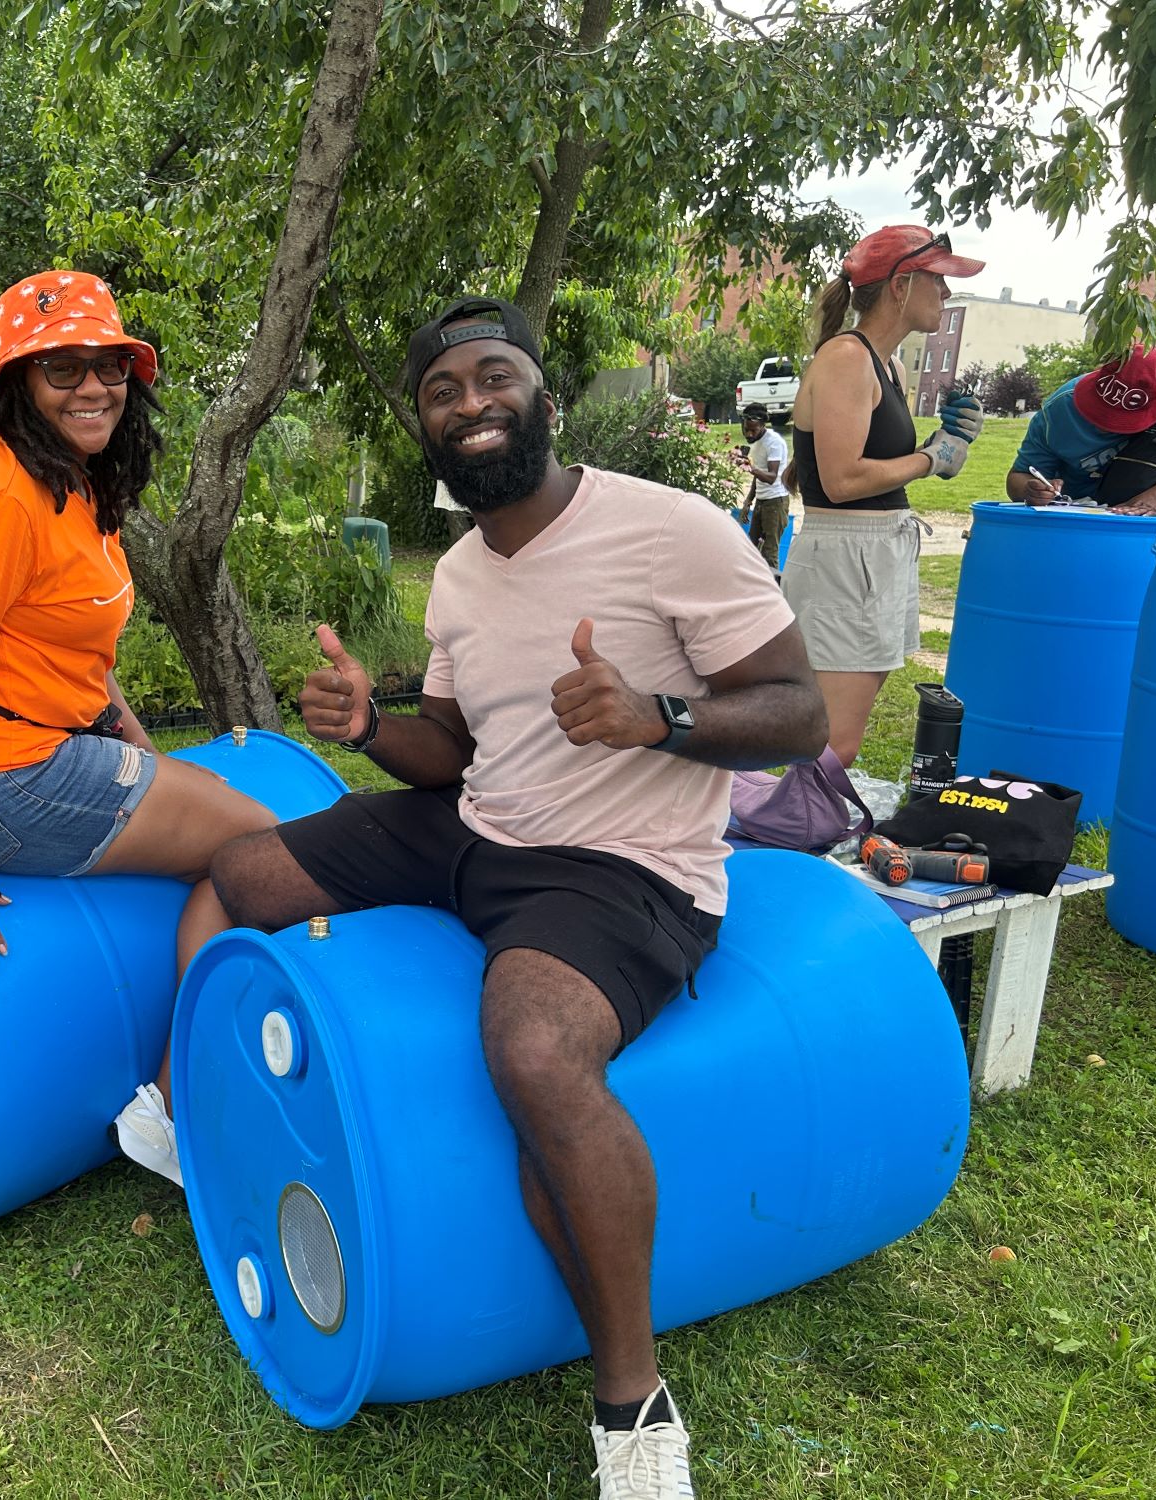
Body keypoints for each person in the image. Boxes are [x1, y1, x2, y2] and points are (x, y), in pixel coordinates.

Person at [208, 295, 828, 1500]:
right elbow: (450, 747)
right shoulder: (453, 575)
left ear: (541, 397)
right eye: (442, 392)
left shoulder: (673, 530)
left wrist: (660, 717)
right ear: (424, 428)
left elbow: (797, 713)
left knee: (534, 1054)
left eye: (493, 378)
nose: (469, 404)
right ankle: (189, 1118)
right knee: (242, 872)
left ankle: (631, 1405)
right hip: (478, 828)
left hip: (624, 866)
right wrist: (371, 726)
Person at [0, 269, 273, 1187]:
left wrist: (132, 740)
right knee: (262, 852)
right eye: (61, 370)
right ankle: (169, 1114)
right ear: (18, 386)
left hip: (18, 745)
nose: (92, 387)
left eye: (108, 366)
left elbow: (69, 651)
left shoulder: (73, 486)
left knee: (226, 817)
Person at [782, 225, 986, 767]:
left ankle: (802, 828)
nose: (945, 293)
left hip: (874, 555)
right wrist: (929, 459)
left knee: (839, 743)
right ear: (900, 284)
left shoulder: (887, 365)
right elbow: (842, 480)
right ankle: (793, 837)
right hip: (847, 560)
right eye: (938, 280)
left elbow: (874, 462)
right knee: (834, 745)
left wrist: (947, 444)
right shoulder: (847, 357)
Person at [1006, 344, 1156, 515]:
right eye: (1101, 417)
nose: (1113, 427)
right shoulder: (1060, 410)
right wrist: (1031, 491)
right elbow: (1018, 477)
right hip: (1085, 521)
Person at [737, 400, 790, 569]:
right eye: (746, 429)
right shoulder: (756, 443)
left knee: (769, 554)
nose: (749, 434)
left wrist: (750, 468)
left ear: (763, 425)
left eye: (754, 430)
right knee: (752, 550)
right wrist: (748, 501)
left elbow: (771, 476)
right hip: (762, 500)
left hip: (776, 502)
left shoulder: (773, 442)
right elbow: (758, 475)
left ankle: (773, 592)